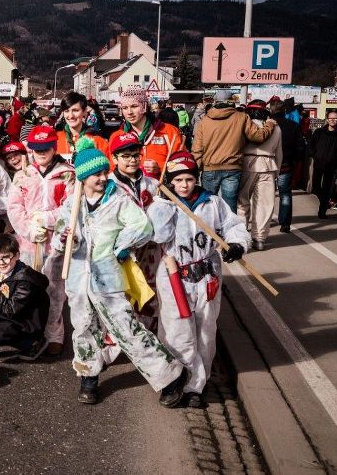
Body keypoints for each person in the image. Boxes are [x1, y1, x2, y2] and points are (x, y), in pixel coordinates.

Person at [52, 137, 188, 407]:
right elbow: (60, 233)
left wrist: (121, 246)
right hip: (79, 276)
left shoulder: (118, 199)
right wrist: (67, 237)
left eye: (104, 172)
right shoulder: (72, 202)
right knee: (83, 327)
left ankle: (171, 374)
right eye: (97, 174)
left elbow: (142, 226)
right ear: (84, 177)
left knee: (125, 328)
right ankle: (88, 375)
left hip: (108, 274)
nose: (103, 178)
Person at [148, 151, 250, 407]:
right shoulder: (164, 203)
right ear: (170, 181)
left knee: (205, 330)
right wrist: (163, 205)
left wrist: (237, 244)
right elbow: (159, 236)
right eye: (178, 180)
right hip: (174, 274)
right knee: (176, 331)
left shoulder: (212, 202)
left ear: (197, 179)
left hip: (207, 275)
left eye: (189, 179)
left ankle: (196, 385)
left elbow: (233, 225)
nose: (184, 185)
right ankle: (173, 381)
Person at [7, 125, 76, 355]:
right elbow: (14, 207)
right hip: (29, 242)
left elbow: (71, 207)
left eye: (45, 149)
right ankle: (31, 333)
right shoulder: (23, 175)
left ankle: (54, 332)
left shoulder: (67, 174)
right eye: (37, 150)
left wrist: (47, 219)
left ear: (54, 147)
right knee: (28, 287)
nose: (41, 153)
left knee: (55, 288)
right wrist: (27, 229)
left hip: (56, 241)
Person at [107, 131, 162, 330]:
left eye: (135, 155)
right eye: (126, 156)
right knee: (122, 297)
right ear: (114, 158)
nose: (132, 160)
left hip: (151, 250)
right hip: (121, 252)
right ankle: (119, 342)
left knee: (150, 292)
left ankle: (151, 336)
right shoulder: (108, 186)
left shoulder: (152, 184)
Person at [0, 234, 50, 360]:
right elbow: (1, 292)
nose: (1, 263)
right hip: (11, 313)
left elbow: (11, 309)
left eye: (6, 258)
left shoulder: (25, 279)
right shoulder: (1, 268)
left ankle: (32, 344)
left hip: (25, 321)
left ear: (17, 255)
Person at [191, 100, 277, 213]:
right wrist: (270, 124)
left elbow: (197, 149)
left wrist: (195, 171)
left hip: (209, 168)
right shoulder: (241, 117)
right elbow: (258, 137)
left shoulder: (204, 120)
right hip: (232, 168)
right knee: (230, 208)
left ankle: (209, 230)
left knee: (206, 206)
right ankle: (230, 230)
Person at [110, 86, 184, 178]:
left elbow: (183, 165)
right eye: (125, 108)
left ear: (145, 106)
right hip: (129, 190)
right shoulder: (117, 136)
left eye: (134, 106)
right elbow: (112, 169)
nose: (129, 112)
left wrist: (160, 169)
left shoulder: (169, 132)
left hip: (161, 189)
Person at [237, 100, 282, 250]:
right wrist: (277, 171)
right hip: (269, 165)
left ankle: (241, 236)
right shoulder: (276, 128)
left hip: (247, 163)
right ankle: (260, 238)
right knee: (265, 204)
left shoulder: (245, 125)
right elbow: (279, 153)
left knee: (242, 201)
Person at [269, 99, 303, 232]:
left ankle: (264, 221)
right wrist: (294, 160)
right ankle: (285, 223)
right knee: (285, 194)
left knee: (266, 193)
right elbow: (300, 146)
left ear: (271, 110)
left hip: (269, 164)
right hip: (286, 164)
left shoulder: (268, 125)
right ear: (284, 110)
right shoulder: (293, 125)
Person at [309, 110, 337, 219]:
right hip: (318, 164)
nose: (333, 120)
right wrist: (314, 155)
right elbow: (311, 145)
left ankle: (322, 211)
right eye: (331, 118)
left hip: (332, 166)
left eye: (335, 118)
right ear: (327, 119)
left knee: (327, 188)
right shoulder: (319, 132)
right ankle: (324, 202)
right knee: (316, 187)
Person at [55, 91, 110, 161]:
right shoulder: (55, 140)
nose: (71, 116)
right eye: (66, 111)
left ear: (84, 112)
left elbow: (110, 168)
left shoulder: (97, 140)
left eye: (75, 110)